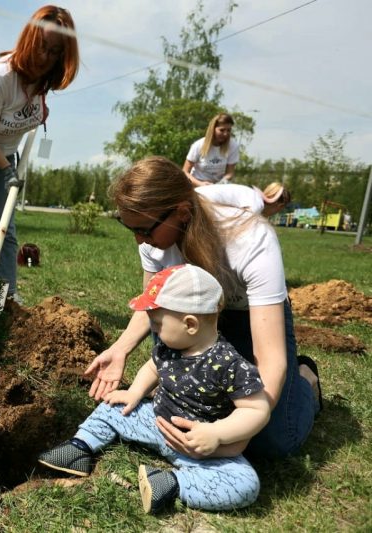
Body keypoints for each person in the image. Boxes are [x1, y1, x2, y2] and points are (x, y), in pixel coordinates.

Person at [85, 156, 321, 461]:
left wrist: (234, 437)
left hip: (249, 315)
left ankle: (305, 381)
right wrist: (121, 348)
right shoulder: (153, 242)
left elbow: (271, 364)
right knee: (191, 408)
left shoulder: (250, 240)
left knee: (272, 441)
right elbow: (153, 305)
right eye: (131, 229)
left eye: (145, 230)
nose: (139, 240)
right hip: (194, 318)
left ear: (181, 213)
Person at [39, 264, 270, 514]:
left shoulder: (229, 364)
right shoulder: (169, 347)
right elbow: (152, 369)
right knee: (112, 406)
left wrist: (216, 434)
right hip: (156, 422)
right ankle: (79, 448)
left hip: (202, 447)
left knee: (245, 484)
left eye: (157, 323)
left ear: (190, 324)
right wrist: (135, 393)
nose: (153, 328)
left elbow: (256, 409)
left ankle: (169, 483)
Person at [0, 5, 79, 302]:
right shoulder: (0, 76)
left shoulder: (43, 82)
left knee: (5, 231)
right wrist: (7, 169)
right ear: (29, 39)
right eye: (41, 47)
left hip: (4, 157)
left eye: (54, 52)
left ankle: (5, 299)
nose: (45, 58)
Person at [183, 113, 239, 186]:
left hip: (219, 185)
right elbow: (185, 172)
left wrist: (219, 184)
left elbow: (230, 173)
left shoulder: (233, 145)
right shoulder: (198, 145)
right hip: (197, 184)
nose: (225, 134)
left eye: (228, 130)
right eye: (222, 130)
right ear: (213, 129)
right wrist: (200, 184)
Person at [196, 181, 291, 217]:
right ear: (279, 206)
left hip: (197, 196)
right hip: (199, 202)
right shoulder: (257, 204)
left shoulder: (252, 195)